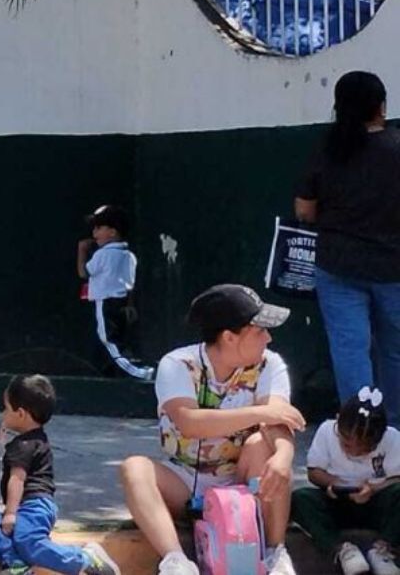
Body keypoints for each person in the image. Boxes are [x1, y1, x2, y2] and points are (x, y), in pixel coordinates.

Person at [117, 284, 305, 575]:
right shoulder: (177, 364)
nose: (268, 337)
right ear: (229, 337)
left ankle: (275, 553)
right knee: (134, 468)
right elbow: (189, 422)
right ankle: (176, 562)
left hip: (243, 481)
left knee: (263, 444)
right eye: (259, 331)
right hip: (184, 478)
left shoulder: (271, 364)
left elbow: (278, 421)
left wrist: (284, 455)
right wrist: (261, 411)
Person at [295, 71, 400, 402]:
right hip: (393, 267)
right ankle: (395, 430)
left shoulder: (328, 148)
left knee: (349, 350)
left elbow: (304, 211)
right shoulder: (397, 147)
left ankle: (360, 430)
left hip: (338, 265)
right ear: (381, 107)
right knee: (395, 351)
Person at [0, 374, 119, 575]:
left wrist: (10, 513)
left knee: (29, 542)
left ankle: (86, 558)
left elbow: (17, 480)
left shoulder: (23, 446)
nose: (3, 413)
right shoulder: (34, 440)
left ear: (20, 414)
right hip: (29, 507)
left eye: (6, 408)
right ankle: (17, 566)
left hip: (34, 506)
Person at [292, 388, 400, 575]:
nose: (355, 452)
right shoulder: (327, 431)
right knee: (301, 498)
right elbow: (314, 472)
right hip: (337, 501)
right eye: (348, 444)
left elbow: (396, 477)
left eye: (365, 448)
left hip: (375, 502)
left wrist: (373, 489)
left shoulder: (392, 438)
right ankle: (341, 549)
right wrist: (331, 483)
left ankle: (383, 549)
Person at [76, 204, 153, 380]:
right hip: (123, 303)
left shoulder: (102, 254)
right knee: (119, 340)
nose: (94, 233)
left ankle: (139, 373)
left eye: (99, 228)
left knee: (108, 341)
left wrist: (81, 250)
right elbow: (130, 284)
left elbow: (83, 272)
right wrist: (130, 305)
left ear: (112, 232)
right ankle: (111, 371)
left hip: (104, 303)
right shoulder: (129, 255)